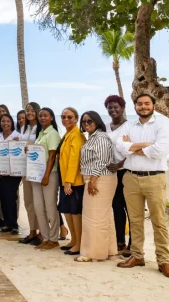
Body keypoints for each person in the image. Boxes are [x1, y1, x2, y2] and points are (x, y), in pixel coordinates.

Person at [115, 94, 169, 279]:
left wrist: (132, 147)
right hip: (131, 178)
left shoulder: (163, 123)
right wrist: (145, 146)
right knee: (135, 220)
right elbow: (120, 146)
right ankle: (137, 256)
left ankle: (163, 261)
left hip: (154, 178)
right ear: (135, 107)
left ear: (153, 105)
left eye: (146, 103)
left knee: (159, 221)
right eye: (139, 104)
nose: (143, 107)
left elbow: (161, 150)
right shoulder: (129, 125)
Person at [75, 111, 117, 262]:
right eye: (84, 122)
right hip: (98, 177)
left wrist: (93, 180)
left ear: (97, 122)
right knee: (103, 216)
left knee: (93, 216)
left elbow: (101, 160)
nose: (86, 124)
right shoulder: (92, 137)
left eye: (90, 121)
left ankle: (92, 253)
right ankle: (109, 250)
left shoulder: (100, 137)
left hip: (100, 178)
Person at [31, 107, 62, 250]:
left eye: (45, 116)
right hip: (36, 175)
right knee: (38, 207)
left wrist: (46, 175)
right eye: (40, 116)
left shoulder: (53, 133)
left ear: (51, 118)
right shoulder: (40, 134)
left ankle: (54, 239)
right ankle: (45, 236)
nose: (42, 118)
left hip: (49, 174)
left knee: (50, 208)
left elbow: (52, 156)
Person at [105, 95, 131, 255]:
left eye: (116, 107)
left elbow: (133, 150)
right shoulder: (106, 127)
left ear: (122, 108)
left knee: (130, 208)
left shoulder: (129, 127)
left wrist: (119, 165)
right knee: (116, 208)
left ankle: (132, 245)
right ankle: (119, 241)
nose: (113, 110)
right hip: (111, 174)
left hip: (126, 171)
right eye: (110, 107)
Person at [58, 108, 86, 256]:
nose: (66, 119)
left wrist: (68, 181)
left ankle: (79, 243)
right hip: (64, 181)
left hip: (74, 182)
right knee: (67, 211)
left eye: (69, 117)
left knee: (75, 212)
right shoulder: (68, 134)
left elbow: (75, 160)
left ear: (76, 118)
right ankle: (74, 239)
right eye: (63, 117)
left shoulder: (77, 136)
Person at [18, 102, 41, 246]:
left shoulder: (41, 127)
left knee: (38, 202)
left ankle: (41, 233)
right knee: (28, 202)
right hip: (25, 168)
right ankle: (32, 231)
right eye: (28, 110)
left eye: (33, 110)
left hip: (37, 169)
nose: (30, 112)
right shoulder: (24, 127)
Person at [0, 113, 21, 234]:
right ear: (0, 123)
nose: (5, 123)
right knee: (3, 197)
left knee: (11, 197)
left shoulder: (17, 136)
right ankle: (6, 223)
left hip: (13, 172)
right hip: (0, 171)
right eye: (3, 121)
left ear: (12, 123)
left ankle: (14, 224)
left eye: (8, 121)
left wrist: (18, 143)